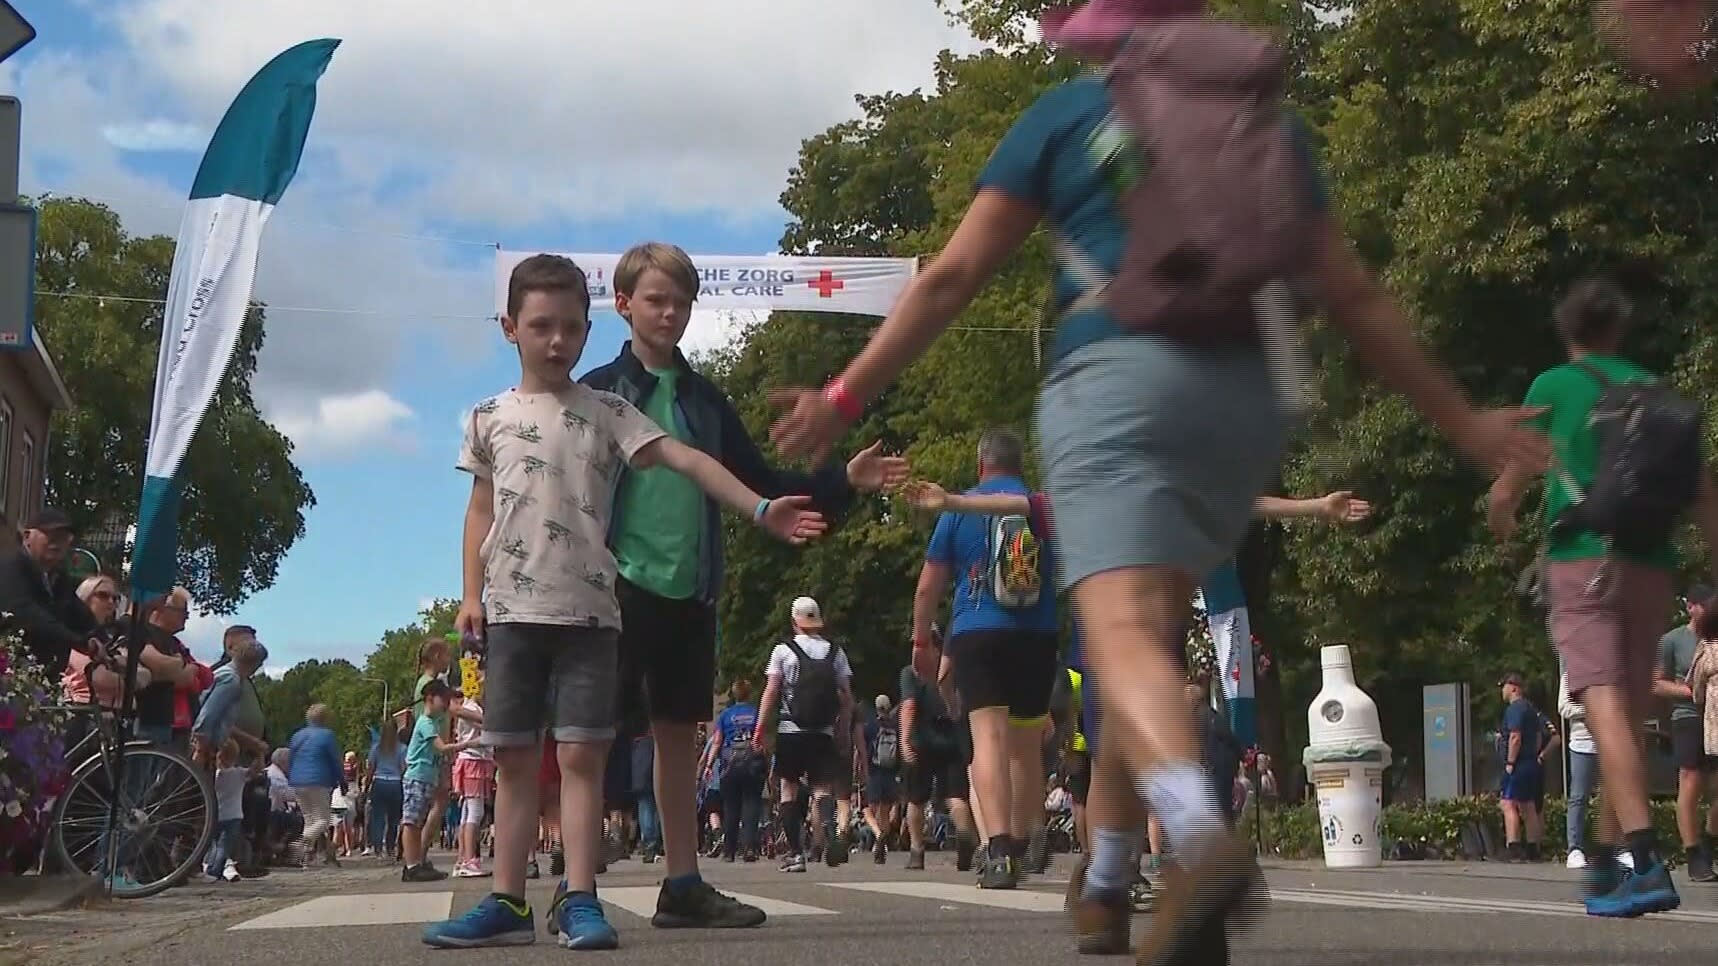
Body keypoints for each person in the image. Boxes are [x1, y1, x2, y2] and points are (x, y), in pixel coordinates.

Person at [765, 0, 1555, 925]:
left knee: (1120, 641)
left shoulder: (1069, 117)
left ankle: (1198, 840)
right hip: (1245, 392)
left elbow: (949, 278)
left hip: (1117, 381)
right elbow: (1355, 296)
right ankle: (1105, 879)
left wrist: (842, 397)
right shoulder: (1271, 129)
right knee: (1137, 656)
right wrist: (1463, 422)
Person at [420, 253, 827, 950]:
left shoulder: (610, 411)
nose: (557, 341)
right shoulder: (490, 418)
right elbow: (479, 509)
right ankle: (507, 899)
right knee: (516, 762)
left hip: (590, 617)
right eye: (541, 326)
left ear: (588, 328)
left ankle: (580, 897)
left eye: (571, 327)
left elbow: (692, 461)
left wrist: (760, 509)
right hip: (512, 615)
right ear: (510, 327)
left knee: (583, 759)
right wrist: (468, 595)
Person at [578, 242, 907, 928]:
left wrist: (843, 482)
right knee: (589, 737)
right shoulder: (600, 392)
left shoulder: (703, 400)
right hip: (613, 587)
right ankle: (575, 887)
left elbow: (763, 486)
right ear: (624, 305)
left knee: (675, 735)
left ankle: (682, 883)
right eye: (654, 300)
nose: (668, 313)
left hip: (688, 590)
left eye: (680, 302)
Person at [1489, 277, 1718, 917]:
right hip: (1652, 563)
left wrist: (1499, 513)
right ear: (1619, 329)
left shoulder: (1554, 387)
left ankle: (1644, 859)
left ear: (1569, 332)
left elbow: (1511, 482)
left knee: (1601, 704)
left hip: (1582, 558)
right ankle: (1610, 864)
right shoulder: (1657, 390)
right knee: (1631, 712)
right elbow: (1705, 492)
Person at [911, 428, 1059, 889]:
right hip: (1038, 633)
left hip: (978, 631)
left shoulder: (958, 509)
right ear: (1021, 466)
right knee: (1026, 745)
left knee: (989, 740)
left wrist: (922, 642)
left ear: (981, 465)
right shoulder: (1043, 510)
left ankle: (997, 852)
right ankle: (1027, 834)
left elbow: (928, 585)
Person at [753, 597, 855, 874]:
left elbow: (772, 691)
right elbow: (846, 699)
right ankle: (828, 828)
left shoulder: (783, 651)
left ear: (794, 621)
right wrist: (843, 731)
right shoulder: (836, 652)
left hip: (790, 730)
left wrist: (760, 728)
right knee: (822, 788)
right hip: (822, 732)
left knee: (789, 788)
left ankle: (797, 854)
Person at [1656, 585, 1718, 882]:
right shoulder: (1672, 640)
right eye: (1704, 605)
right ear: (1691, 607)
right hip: (1689, 716)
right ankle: (1693, 854)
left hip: (1716, 718)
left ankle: (1708, 840)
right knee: (1691, 781)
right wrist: (1688, 691)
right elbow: (1656, 683)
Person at [0, 508, 103, 678]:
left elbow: (81, 616)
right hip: (11, 677)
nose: (57, 543)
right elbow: (25, 613)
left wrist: (104, 641)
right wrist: (77, 640)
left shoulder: (59, 579)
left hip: (43, 680)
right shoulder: (11, 567)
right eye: (51, 535)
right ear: (27, 537)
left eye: (64, 538)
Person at [706, 680, 765, 863]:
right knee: (751, 805)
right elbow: (761, 740)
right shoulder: (756, 713)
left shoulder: (725, 715)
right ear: (749, 694)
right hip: (752, 764)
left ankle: (729, 851)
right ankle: (749, 848)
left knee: (730, 807)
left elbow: (717, 741)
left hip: (729, 764)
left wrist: (708, 765)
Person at [287, 704, 345, 868]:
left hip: (297, 781)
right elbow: (335, 760)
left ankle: (304, 858)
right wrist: (342, 781)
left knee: (309, 819)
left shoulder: (297, 735)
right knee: (323, 820)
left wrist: (291, 776)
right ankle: (300, 842)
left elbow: (291, 758)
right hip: (319, 780)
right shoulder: (327, 735)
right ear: (326, 718)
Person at [1560, 667, 1600, 870]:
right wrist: (1590, 708)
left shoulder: (1608, 671)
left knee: (1618, 795)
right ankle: (1574, 848)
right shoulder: (1570, 675)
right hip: (1582, 743)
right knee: (1579, 796)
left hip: (1610, 741)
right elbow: (1564, 707)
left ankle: (1622, 848)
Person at [205, 739, 254, 883]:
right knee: (224, 847)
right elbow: (256, 770)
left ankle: (210, 869)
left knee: (213, 845)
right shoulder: (239, 773)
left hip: (215, 815)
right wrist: (259, 753)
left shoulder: (213, 776)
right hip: (234, 816)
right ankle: (215, 871)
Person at [862, 694, 902, 864]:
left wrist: (860, 769)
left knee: (866, 809)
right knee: (884, 810)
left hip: (874, 771)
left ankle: (878, 835)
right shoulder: (896, 726)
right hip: (891, 772)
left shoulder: (870, 726)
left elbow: (862, 750)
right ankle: (883, 843)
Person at [367, 719, 407, 860]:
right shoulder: (402, 748)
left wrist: (366, 787)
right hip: (395, 784)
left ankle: (378, 848)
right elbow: (404, 768)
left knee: (378, 817)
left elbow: (370, 769)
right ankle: (390, 848)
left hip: (379, 782)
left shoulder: (376, 748)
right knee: (394, 819)